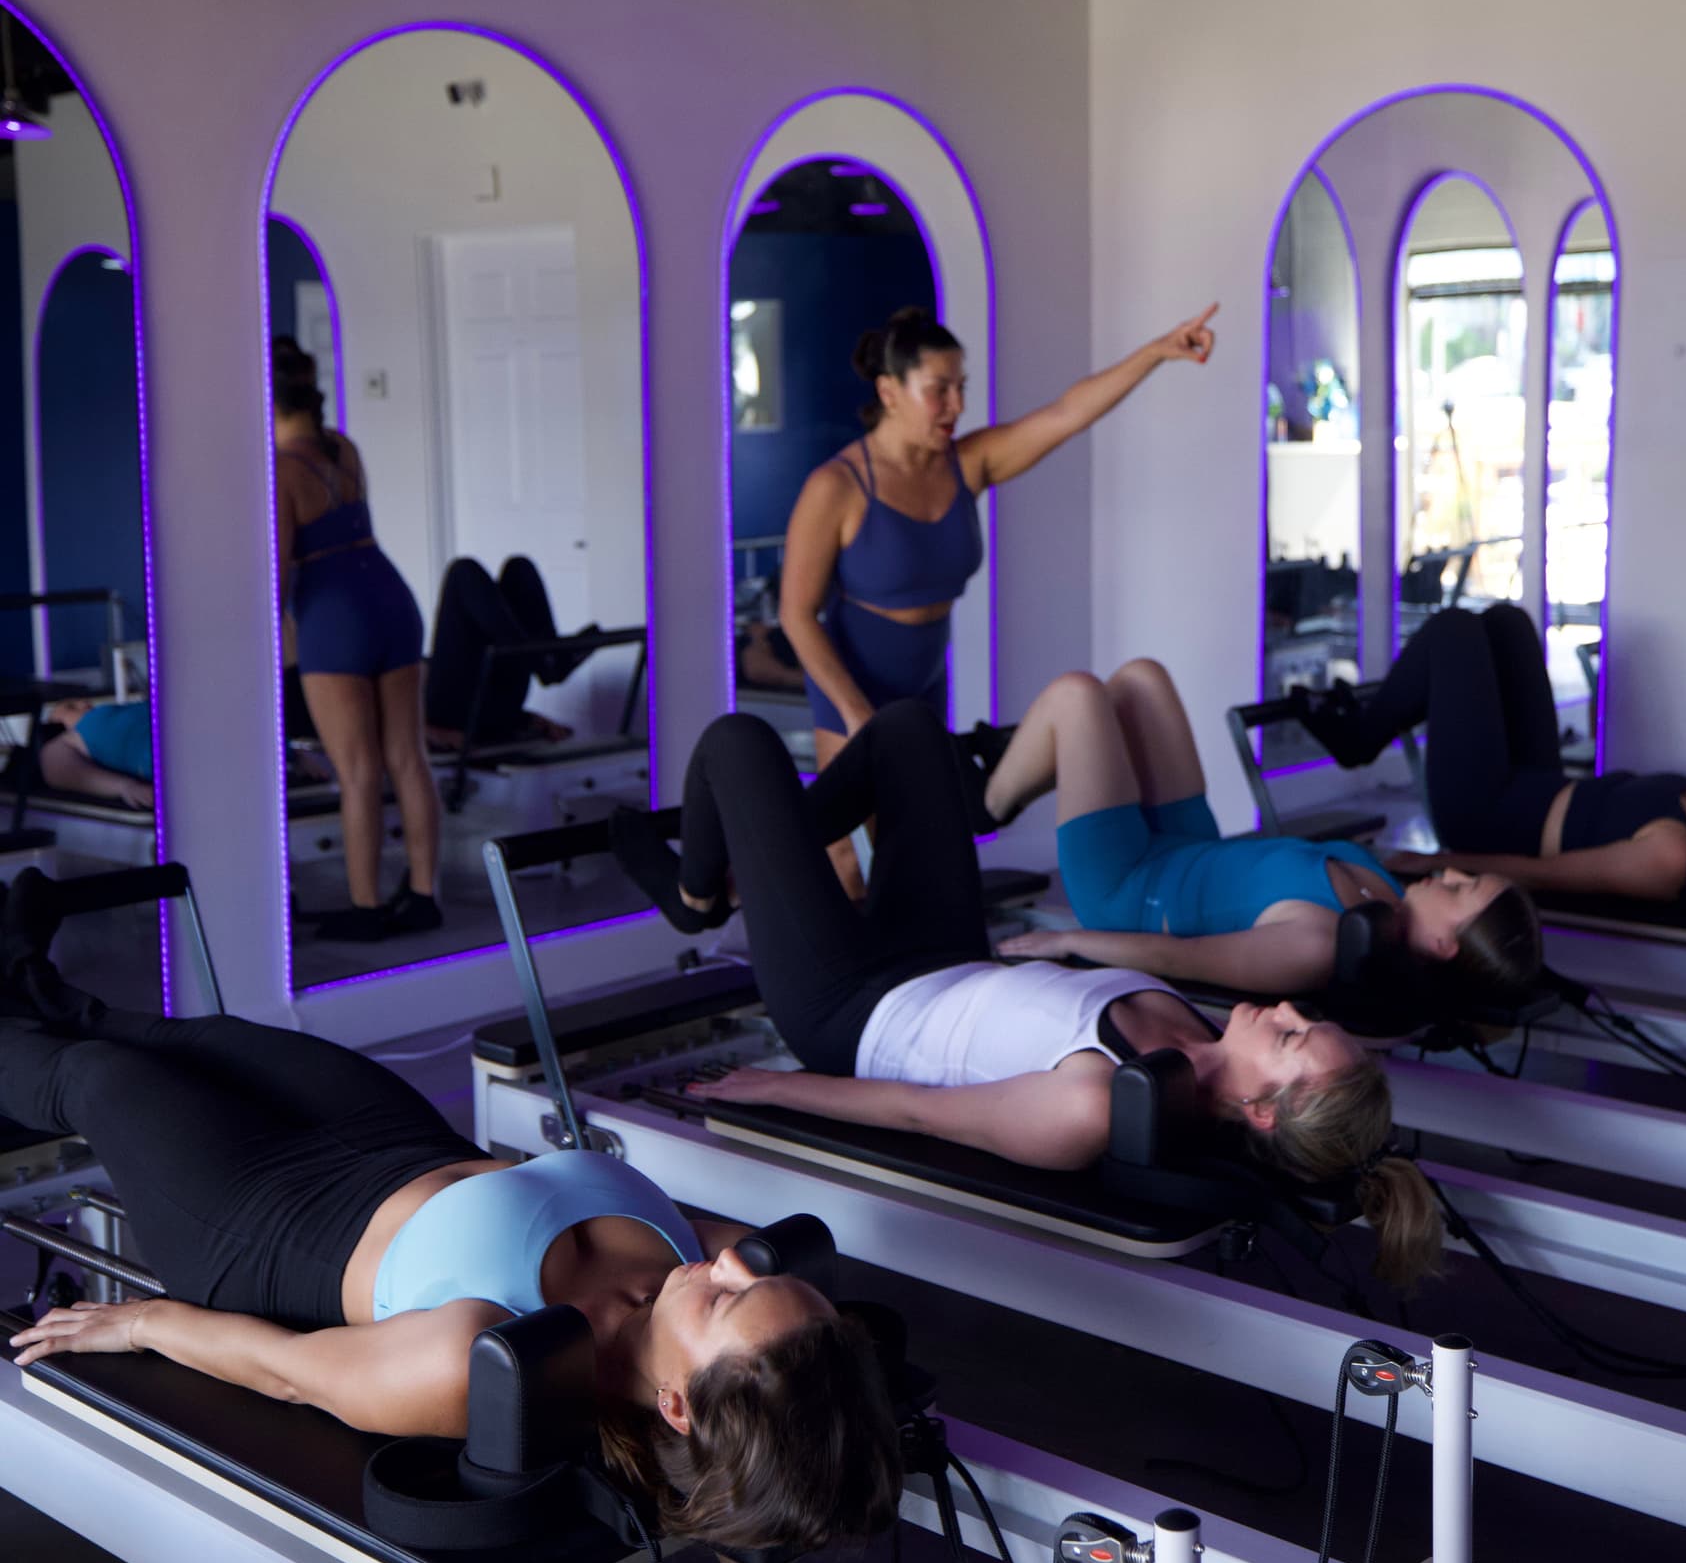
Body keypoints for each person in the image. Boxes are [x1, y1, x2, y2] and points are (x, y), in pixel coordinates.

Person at [0, 883, 900, 1559]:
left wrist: (143, 1319)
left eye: (728, 1299)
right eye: (761, 1274)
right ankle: (26, 973)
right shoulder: (696, 1271)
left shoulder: (486, 1361)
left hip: (259, 1218)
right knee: (177, 1036)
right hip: (392, 1137)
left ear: (675, 1402)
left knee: (93, 1075)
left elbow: (291, 1373)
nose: (736, 1260)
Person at [612, 703, 1446, 1288]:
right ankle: (759, 842)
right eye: (1310, 1020)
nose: (1294, 1012)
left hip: (853, 1011)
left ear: (1262, 1109)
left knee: (739, 741)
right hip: (944, 956)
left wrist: (775, 1086)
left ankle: (696, 897)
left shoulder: (1094, 1100)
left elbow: (921, 1112)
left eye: (1294, 1039)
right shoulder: (1198, 1030)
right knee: (909, 733)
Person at [779, 302, 1220, 773]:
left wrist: (1156, 352)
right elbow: (797, 614)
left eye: (960, 387)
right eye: (939, 390)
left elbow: (1067, 414)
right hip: (851, 686)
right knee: (850, 848)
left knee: (921, 837)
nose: (958, 405)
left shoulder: (967, 465)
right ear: (889, 392)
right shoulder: (837, 487)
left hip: (926, 682)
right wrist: (853, 711)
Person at [970, 658, 1541, 1009]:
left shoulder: (1319, 944)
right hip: (1193, 846)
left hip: (1131, 887)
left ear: (1444, 945)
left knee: (1078, 694)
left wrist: (1070, 943)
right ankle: (1033, 761)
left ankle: (989, 801)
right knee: (1140, 680)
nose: (1455, 875)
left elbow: (1181, 958)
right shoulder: (1385, 894)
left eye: (1463, 891)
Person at [1289, 603, 1686, 915]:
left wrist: (1439, 861)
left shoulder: (1674, 857)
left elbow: (1548, 876)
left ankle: (1359, 740)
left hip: (1490, 812)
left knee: (1454, 631)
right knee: (1507, 624)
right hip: (1536, 778)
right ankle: (1366, 727)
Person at [272, 337, 441, 942]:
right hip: (390, 598)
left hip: (334, 611)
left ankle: (367, 907)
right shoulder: (345, 450)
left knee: (358, 769)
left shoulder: (281, 470)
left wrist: (273, 630)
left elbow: (283, 565)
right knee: (407, 757)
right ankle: (424, 893)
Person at [423, 555, 597, 752]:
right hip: (448, 715)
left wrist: (524, 718)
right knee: (462, 571)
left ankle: (546, 659)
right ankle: (547, 661)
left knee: (518, 568)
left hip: (491, 705)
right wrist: (431, 732)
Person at [40, 695, 153, 812]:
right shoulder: (73, 737)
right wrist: (126, 787)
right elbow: (52, 762)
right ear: (59, 726)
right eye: (71, 708)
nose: (84, 702)